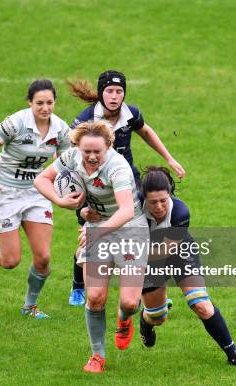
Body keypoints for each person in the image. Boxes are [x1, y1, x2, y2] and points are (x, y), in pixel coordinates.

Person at [34, 120, 149, 373]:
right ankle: (97, 356)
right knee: (95, 297)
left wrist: (97, 233)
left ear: (109, 145)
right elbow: (42, 179)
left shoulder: (117, 167)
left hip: (130, 228)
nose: (92, 156)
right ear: (78, 147)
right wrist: (60, 201)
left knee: (129, 303)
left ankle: (125, 318)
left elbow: (127, 210)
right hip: (97, 225)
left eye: (98, 151)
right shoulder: (72, 157)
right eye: (87, 151)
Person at [65, 70, 185, 306]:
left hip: (127, 182)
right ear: (101, 93)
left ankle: (149, 290)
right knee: (90, 234)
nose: (114, 96)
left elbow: (146, 131)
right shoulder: (87, 119)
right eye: (109, 91)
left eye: (119, 91)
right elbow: (69, 153)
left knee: (140, 228)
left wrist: (169, 159)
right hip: (95, 185)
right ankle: (78, 286)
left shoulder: (131, 114)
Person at [0, 79, 71, 319]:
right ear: (30, 102)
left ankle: (29, 306)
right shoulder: (16, 123)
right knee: (10, 260)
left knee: (43, 258)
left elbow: (66, 165)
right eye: (39, 103)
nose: (45, 108)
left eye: (50, 103)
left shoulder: (62, 130)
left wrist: (69, 189)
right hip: (5, 191)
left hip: (36, 192)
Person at [138, 166, 236, 367]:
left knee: (201, 304)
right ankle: (146, 321)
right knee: (158, 316)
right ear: (143, 198)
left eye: (163, 200)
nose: (158, 207)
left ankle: (233, 354)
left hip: (179, 251)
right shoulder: (132, 207)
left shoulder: (180, 212)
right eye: (153, 202)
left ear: (170, 195)